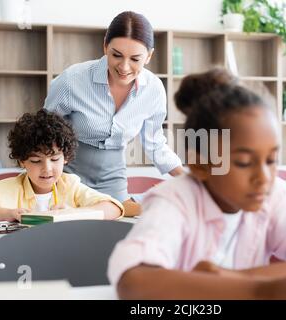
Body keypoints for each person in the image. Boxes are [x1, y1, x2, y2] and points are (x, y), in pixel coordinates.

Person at [107, 68, 286, 299]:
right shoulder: (175, 199)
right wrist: (260, 292)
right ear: (201, 165)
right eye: (244, 163)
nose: (264, 177)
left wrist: (236, 280)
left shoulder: (271, 196)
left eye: (271, 160)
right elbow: (134, 281)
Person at [44, 11, 183, 216]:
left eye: (135, 59)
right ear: (105, 47)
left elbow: (155, 143)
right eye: (116, 55)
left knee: (118, 229)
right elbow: (44, 131)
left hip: (113, 175)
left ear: (149, 56)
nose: (124, 67)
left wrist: (188, 180)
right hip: (67, 172)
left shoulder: (153, 90)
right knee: (70, 228)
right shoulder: (73, 80)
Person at [0, 110, 124, 223]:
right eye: (36, 161)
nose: (47, 169)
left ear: (65, 157)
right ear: (22, 161)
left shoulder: (71, 186)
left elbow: (114, 208)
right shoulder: (5, 189)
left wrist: (73, 213)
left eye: (55, 159)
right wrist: (10, 214)